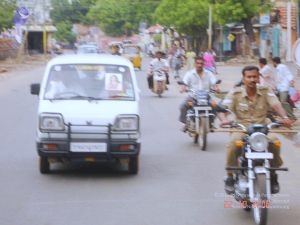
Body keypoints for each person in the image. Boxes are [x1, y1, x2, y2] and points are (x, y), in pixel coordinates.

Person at [219, 66, 294, 194]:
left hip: (262, 128)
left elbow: (276, 105)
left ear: (259, 78)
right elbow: (223, 109)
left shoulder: (266, 91)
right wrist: (223, 119)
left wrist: (285, 117)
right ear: (243, 79)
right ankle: (230, 177)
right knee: (232, 144)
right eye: (249, 77)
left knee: (275, 142)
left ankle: (273, 173)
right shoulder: (235, 93)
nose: (252, 79)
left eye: (255, 76)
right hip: (241, 128)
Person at [179, 56, 219, 130]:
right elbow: (184, 83)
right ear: (195, 64)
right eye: (198, 63)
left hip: (206, 96)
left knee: (216, 106)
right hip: (193, 96)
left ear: (204, 64)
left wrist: (216, 87)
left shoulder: (209, 73)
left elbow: (214, 82)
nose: (199, 65)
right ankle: (185, 123)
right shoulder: (189, 73)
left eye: (201, 63)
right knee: (182, 106)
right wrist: (183, 88)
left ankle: (211, 122)